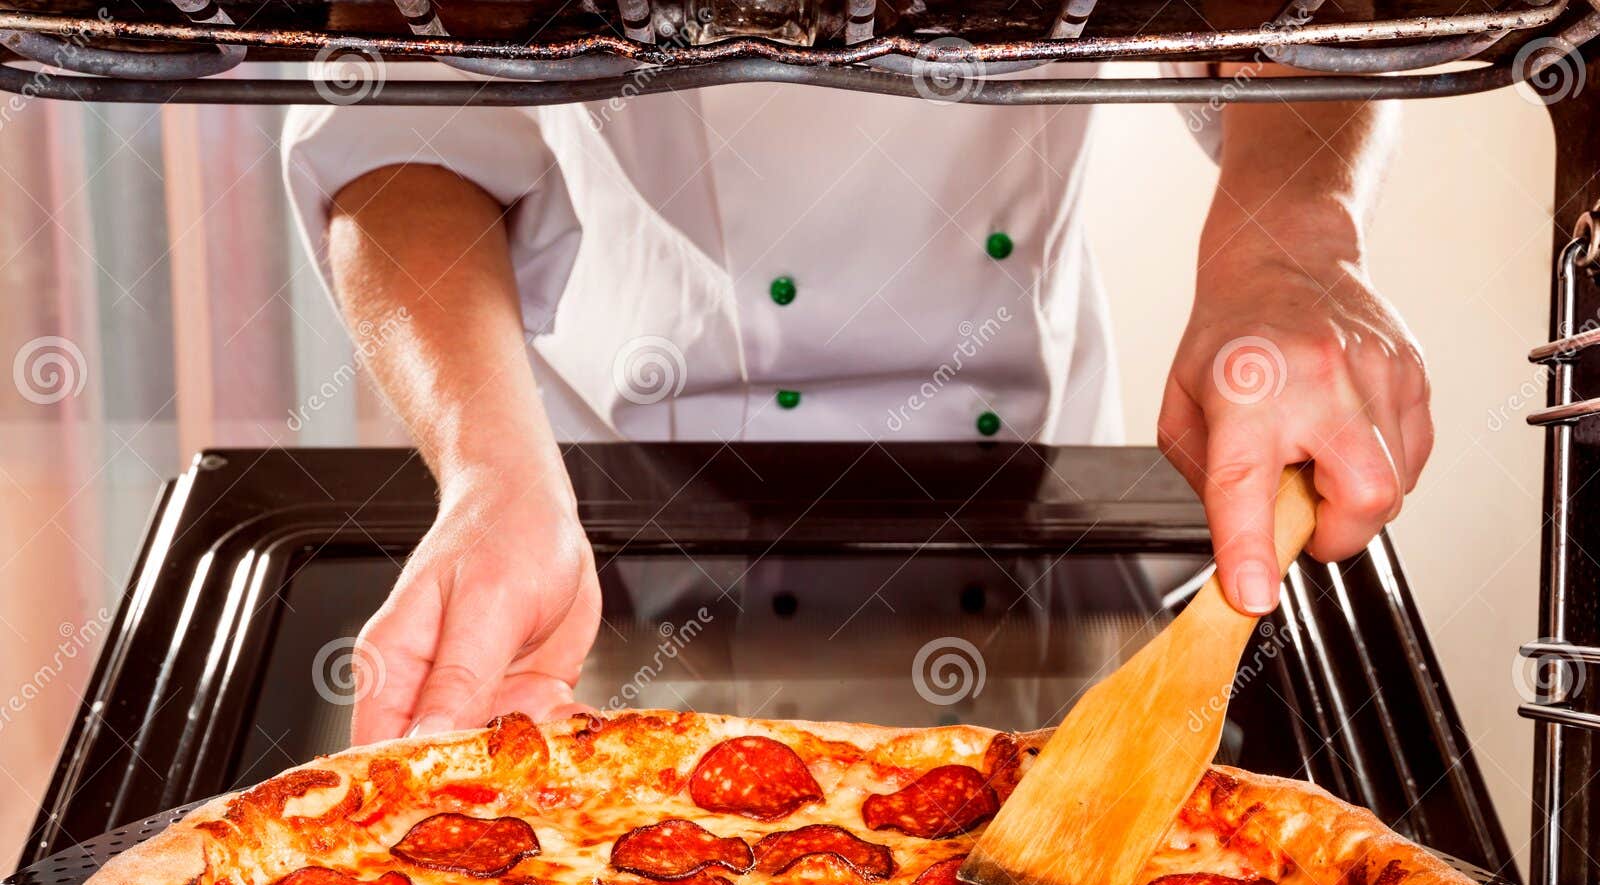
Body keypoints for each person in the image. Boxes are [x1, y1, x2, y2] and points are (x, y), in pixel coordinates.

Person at [282, 60, 1430, 745]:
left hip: (1028, 493)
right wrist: (490, 471)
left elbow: (1301, 33)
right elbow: (405, 135)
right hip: (610, 519)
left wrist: (1291, 242)